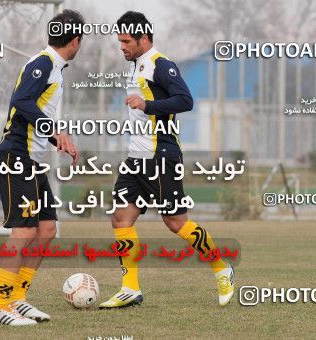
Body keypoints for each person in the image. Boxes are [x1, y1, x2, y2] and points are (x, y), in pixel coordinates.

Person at [99, 11, 235, 309]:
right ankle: (130, 288)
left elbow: (185, 100)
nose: (121, 46)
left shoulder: (162, 65)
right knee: (121, 218)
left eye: (125, 41)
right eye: (119, 41)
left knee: (175, 222)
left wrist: (147, 104)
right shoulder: (136, 66)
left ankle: (222, 268)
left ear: (143, 38)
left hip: (161, 156)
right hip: (136, 157)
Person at [0, 9, 84, 326]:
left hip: (31, 160)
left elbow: (33, 111)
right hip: (16, 156)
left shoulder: (55, 67)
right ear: (76, 40)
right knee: (25, 230)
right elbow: (21, 101)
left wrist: (58, 139)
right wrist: (54, 131)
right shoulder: (43, 63)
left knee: (46, 230)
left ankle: (17, 297)